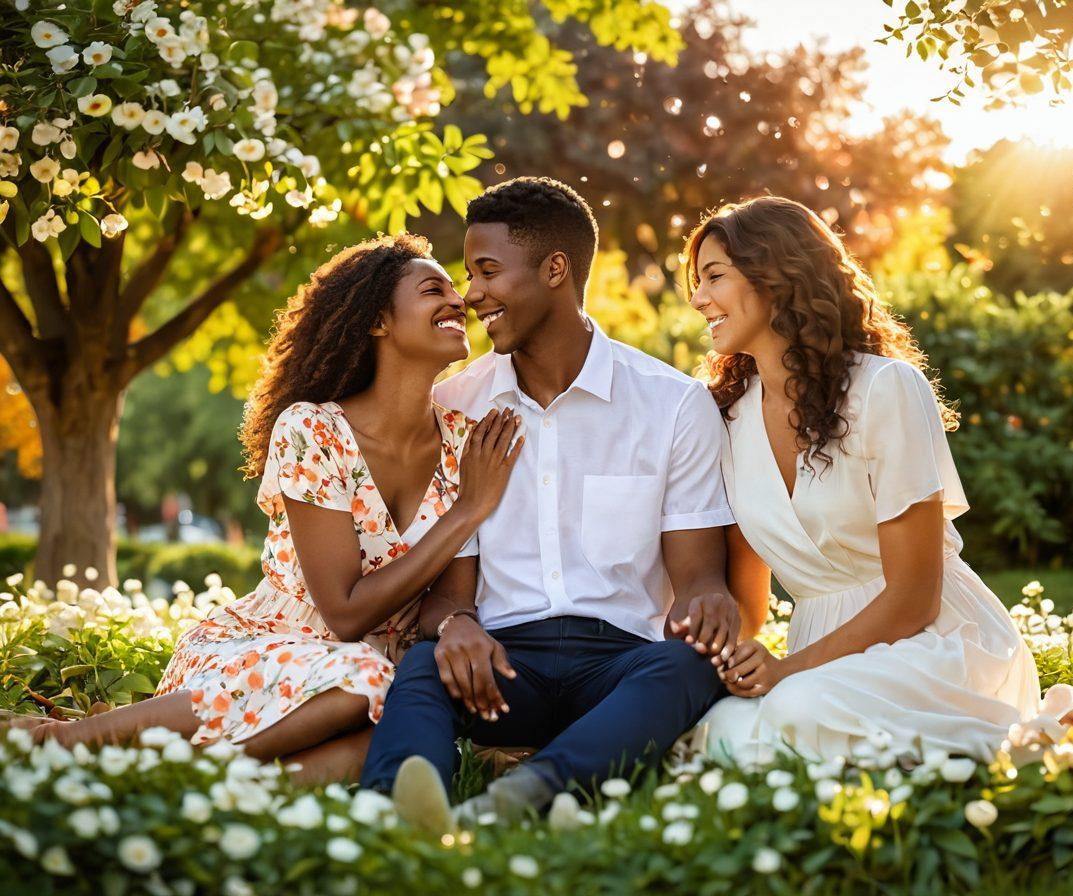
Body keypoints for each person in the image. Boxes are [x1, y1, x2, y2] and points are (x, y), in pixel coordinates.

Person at [23, 234, 522, 786]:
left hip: (376, 676)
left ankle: (196, 787)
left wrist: (459, 614)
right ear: (377, 320)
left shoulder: (465, 443)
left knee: (384, 740)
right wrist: (466, 512)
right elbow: (346, 613)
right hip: (263, 653)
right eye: (436, 289)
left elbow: (451, 592)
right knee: (362, 678)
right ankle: (59, 741)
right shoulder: (312, 429)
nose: (461, 301)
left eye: (457, 289)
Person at [359, 177, 753, 832]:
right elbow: (455, 591)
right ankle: (395, 810)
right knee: (426, 665)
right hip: (502, 666)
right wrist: (455, 625)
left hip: (621, 668)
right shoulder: (456, 405)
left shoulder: (671, 403)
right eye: (467, 275)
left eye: (486, 271)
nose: (470, 294)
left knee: (688, 663)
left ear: (554, 269)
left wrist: (708, 604)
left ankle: (530, 791)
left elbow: (698, 579)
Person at [682, 195, 1041, 766]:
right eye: (697, 283)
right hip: (816, 654)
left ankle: (1023, 743)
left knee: (796, 712)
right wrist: (730, 662)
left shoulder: (886, 389)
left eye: (714, 277)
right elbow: (747, 597)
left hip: (934, 641)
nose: (699, 300)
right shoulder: (725, 416)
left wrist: (787, 671)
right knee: (713, 722)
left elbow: (914, 598)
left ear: (776, 274)